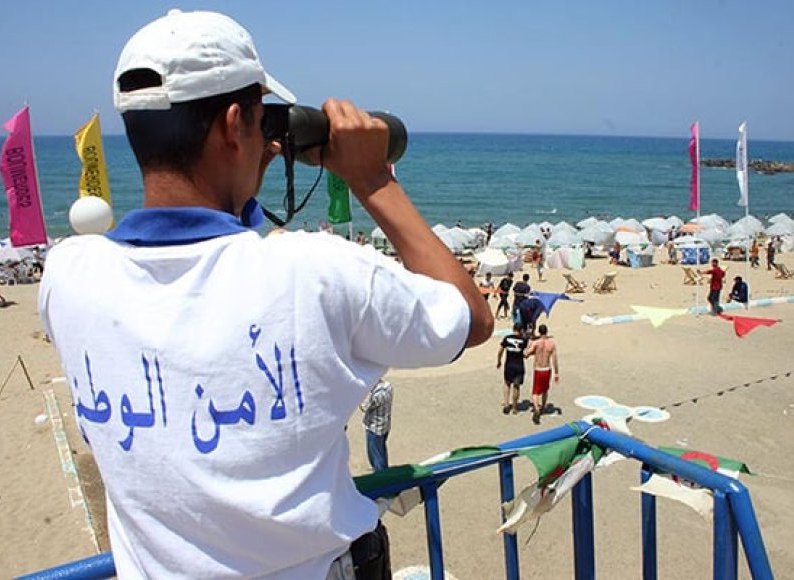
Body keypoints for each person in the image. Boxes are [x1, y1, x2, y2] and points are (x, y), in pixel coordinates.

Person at [38, 10, 493, 580]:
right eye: (261, 123)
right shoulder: (318, 272)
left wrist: (242, 179)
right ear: (235, 124)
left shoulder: (68, 275)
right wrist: (373, 180)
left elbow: (202, 265)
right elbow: (471, 319)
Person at [524, 324, 559, 425]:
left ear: (539, 332)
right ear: (546, 332)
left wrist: (528, 345)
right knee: (545, 389)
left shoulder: (536, 343)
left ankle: (536, 408)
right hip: (547, 369)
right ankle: (543, 407)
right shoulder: (551, 344)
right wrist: (556, 373)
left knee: (535, 392)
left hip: (538, 369)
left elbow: (526, 354)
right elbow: (555, 359)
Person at [360, 378, 393, 472]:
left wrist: (358, 398)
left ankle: (381, 476)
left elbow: (365, 407)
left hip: (374, 428)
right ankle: (385, 472)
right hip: (384, 426)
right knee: (381, 451)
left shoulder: (379, 395)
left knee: (376, 457)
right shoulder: (388, 386)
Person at [496, 324, 528, 414]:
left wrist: (499, 361)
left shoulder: (507, 338)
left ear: (513, 329)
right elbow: (525, 354)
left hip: (509, 365)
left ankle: (506, 404)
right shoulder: (524, 340)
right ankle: (514, 407)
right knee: (516, 386)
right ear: (521, 330)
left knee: (507, 384)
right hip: (519, 365)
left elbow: (500, 351)